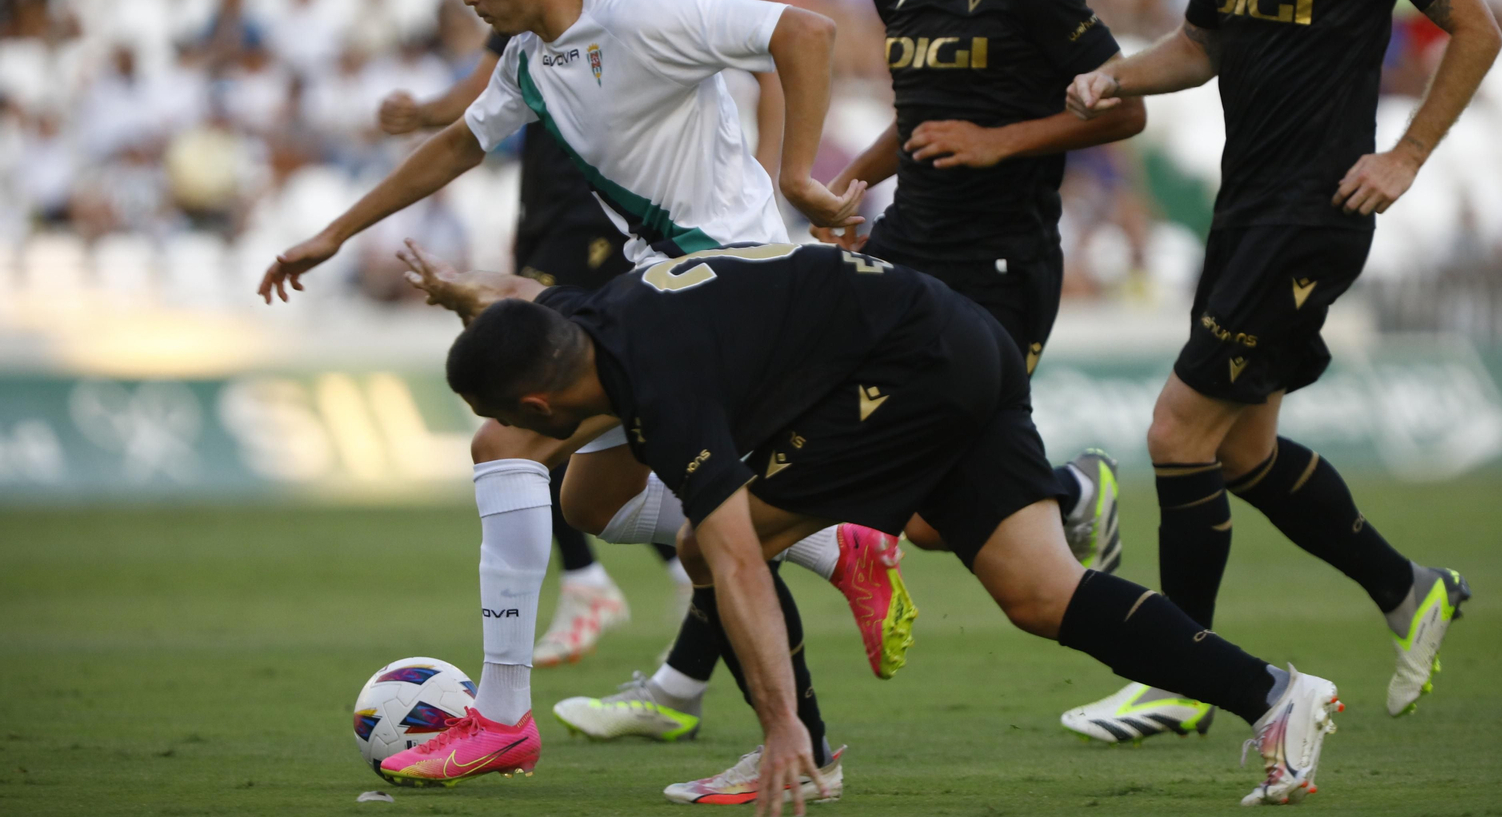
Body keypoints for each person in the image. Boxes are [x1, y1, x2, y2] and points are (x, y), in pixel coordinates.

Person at [256, 0, 912, 788]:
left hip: (732, 286)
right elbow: (456, 143)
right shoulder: (531, 60)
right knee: (591, 504)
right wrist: (331, 232)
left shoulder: (643, 13)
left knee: (504, 444)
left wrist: (798, 177)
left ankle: (503, 715)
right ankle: (830, 546)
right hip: (669, 290)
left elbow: (802, 32)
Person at [402, 239, 1347, 811]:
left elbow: (731, 563)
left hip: (906, 377)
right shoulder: (590, 319)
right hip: (950, 337)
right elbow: (521, 299)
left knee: (706, 544)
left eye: (518, 419)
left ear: (537, 396)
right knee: (1039, 593)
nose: (517, 437)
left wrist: (775, 723)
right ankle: (1274, 693)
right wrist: (461, 293)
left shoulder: (664, 388)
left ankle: (801, 754)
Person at [1058, 0, 1502, 742]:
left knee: (1177, 434)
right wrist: (1114, 77)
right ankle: (1408, 588)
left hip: (1312, 213)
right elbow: (1202, 47)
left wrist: (1406, 156)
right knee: (1245, 449)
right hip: (1243, 207)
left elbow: (1475, 28)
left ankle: (1180, 677)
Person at [373, 0, 785, 675]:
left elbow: (784, 44)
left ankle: (718, 694)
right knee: (577, 456)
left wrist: (793, 179)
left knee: (542, 428)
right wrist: (422, 122)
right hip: (575, 216)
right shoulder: (529, 27)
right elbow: (475, 118)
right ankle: (669, 620)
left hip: (697, 259)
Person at [811, 0, 1148, 571]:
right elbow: (919, 120)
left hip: (1003, 264)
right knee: (884, 478)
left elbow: (1124, 112)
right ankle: (1070, 496)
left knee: (937, 514)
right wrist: (847, 187)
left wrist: (1001, 142)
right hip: (909, 245)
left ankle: (1071, 496)